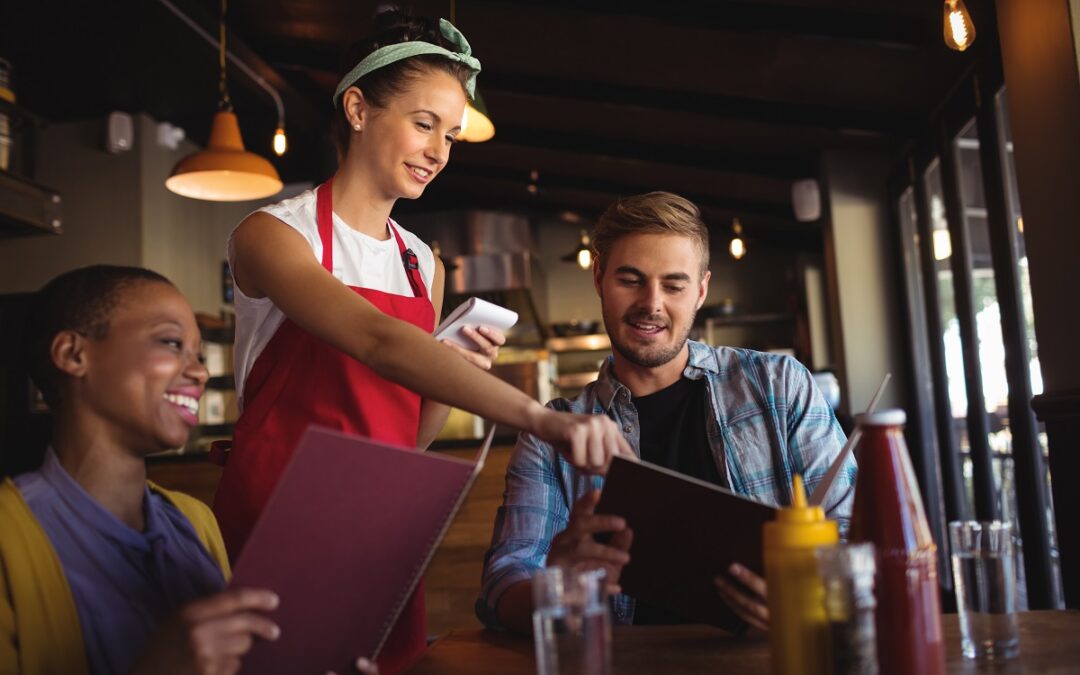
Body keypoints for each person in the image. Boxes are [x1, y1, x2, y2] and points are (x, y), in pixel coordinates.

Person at [211, 10, 631, 673]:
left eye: (453, 135)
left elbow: (410, 436)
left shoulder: (421, 263)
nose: (440, 150)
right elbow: (377, 341)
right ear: (357, 107)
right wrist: (539, 416)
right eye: (423, 123)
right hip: (280, 520)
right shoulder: (275, 235)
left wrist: (451, 362)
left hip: (380, 531)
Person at [477, 192, 857, 634]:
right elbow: (502, 587)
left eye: (673, 285)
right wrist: (556, 588)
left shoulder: (780, 386)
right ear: (599, 276)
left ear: (701, 290)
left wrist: (803, 595)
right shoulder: (551, 433)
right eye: (631, 279)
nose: (651, 303)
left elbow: (853, 534)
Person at [0, 265, 379, 675]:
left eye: (198, 355)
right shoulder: (9, 536)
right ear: (74, 355)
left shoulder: (195, 521)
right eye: (171, 342)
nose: (199, 371)